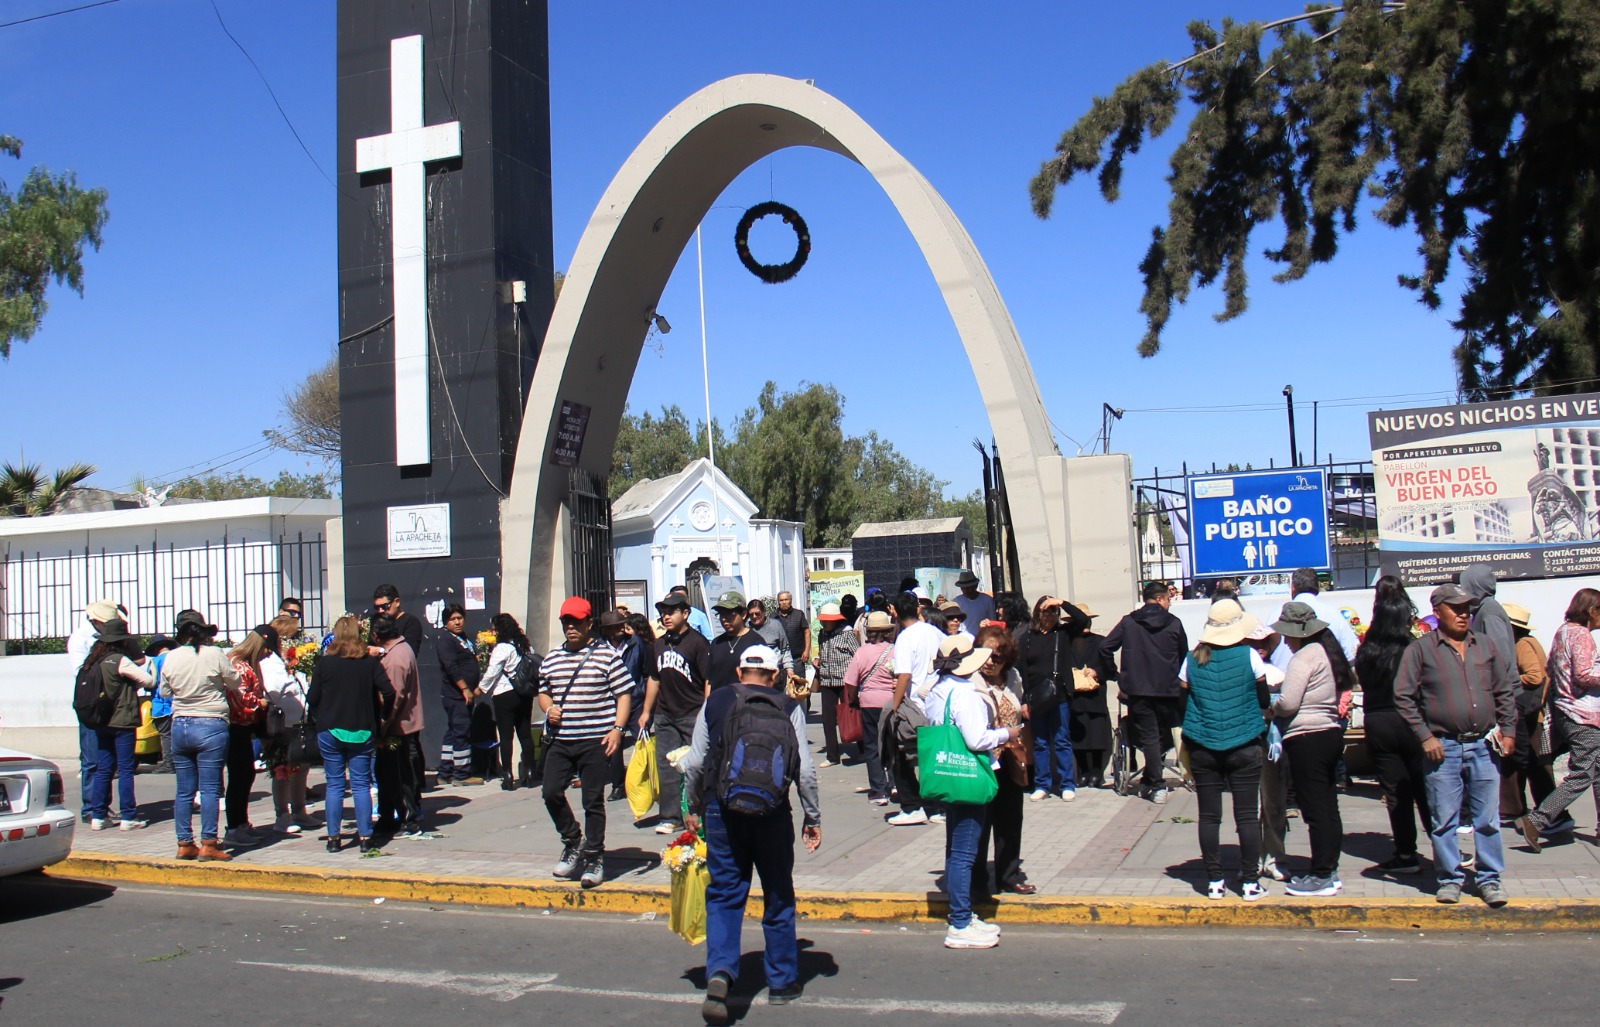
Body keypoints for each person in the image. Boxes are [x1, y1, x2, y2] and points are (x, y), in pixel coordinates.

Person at [683, 645, 820, 1023]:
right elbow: (805, 771)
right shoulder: (789, 707)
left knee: (726, 892)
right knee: (777, 890)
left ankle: (721, 973)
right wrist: (813, 816)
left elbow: (694, 762)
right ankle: (782, 981)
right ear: (775, 676)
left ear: (740, 672)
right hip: (773, 813)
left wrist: (691, 807)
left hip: (721, 810)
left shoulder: (717, 702)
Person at [1396, 583, 1517, 907]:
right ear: (1438, 612)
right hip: (1443, 749)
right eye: (1456, 608)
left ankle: (1489, 879)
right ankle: (1449, 879)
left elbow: (1504, 691)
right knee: (1445, 820)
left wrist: (1508, 730)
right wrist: (1425, 736)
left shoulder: (1485, 646)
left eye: (1467, 608)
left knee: (1487, 820)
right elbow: (1403, 697)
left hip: (1483, 746)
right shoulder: (1420, 651)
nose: (1464, 614)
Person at [923, 634, 1022, 949]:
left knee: (956, 849)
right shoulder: (965, 694)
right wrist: (1007, 733)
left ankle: (961, 914)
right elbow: (977, 739)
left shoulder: (938, 690)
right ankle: (961, 921)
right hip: (968, 775)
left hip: (947, 773)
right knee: (965, 852)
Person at [1179, 600, 1272, 900]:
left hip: (1203, 744)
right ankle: (1249, 883)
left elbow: (1182, 697)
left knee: (1209, 816)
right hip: (1244, 742)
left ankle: (1214, 882)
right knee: (1246, 816)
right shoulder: (1249, 656)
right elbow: (1262, 699)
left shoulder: (1192, 658)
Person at [538, 597, 634, 888]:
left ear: (589, 623)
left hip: (595, 739)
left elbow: (624, 694)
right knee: (551, 791)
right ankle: (572, 841)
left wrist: (618, 729)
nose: (570, 627)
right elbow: (544, 692)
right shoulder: (552, 658)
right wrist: (548, 708)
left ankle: (594, 856)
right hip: (561, 740)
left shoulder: (607, 656)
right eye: (566, 622)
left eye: (576, 622)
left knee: (592, 800)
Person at [1270, 601, 1352, 897]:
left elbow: (1289, 702)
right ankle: (1329, 868)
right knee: (1328, 807)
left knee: (1315, 809)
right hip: (1329, 733)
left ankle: (1321, 875)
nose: (1286, 641)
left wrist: (1272, 706)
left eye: (1287, 635)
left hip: (1307, 737)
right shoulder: (1327, 653)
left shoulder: (1304, 657)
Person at [1355, 576, 1434, 876]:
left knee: (1396, 792)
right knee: (1425, 788)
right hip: (1411, 720)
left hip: (1378, 720)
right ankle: (1441, 844)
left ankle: (1405, 852)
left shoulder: (1367, 650)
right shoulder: (1414, 649)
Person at [1519, 587, 1600, 853]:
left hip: (1567, 711)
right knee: (1582, 775)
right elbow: (1585, 675)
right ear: (1591, 611)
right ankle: (1536, 820)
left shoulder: (1563, 632)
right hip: (1583, 714)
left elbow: (1552, 669)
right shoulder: (1582, 635)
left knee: (1597, 771)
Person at [308, 615, 395, 854]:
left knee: (335, 784)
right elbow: (389, 691)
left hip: (330, 729)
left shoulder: (325, 663)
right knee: (360, 785)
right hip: (362, 729)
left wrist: (321, 716)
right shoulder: (368, 662)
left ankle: (333, 838)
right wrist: (384, 716)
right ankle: (366, 837)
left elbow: (312, 698)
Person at [1099, 581, 1189, 803]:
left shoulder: (1129, 622)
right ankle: (1157, 784)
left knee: (1149, 735)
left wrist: (1116, 675)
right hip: (1167, 689)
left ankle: (1151, 779)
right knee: (1160, 735)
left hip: (1137, 689)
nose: (1169, 603)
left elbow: (1105, 647)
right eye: (1168, 599)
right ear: (1159, 599)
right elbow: (1184, 655)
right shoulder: (1174, 624)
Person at [162, 610, 240, 861]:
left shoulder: (171, 657)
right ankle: (208, 843)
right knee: (209, 789)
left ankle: (184, 843)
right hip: (211, 723)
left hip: (180, 724)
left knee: (184, 790)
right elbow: (235, 681)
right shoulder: (214, 653)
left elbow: (164, 691)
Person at [639, 591, 711, 835]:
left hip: (692, 714)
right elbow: (653, 678)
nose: (666, 616)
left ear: (685, 613)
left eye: (671, 612)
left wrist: (706, 710)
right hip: (665, 714)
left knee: (695, 766)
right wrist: (646, 711)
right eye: (663, 612)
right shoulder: (658, 644)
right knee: (666, 767)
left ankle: (697, 811)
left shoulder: (698, 643)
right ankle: (670, 816)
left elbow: (707, 680)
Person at [971, 624, 1034, 895]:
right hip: (981, 759)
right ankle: (977, 879)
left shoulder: (1014, 678)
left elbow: (1018, 706)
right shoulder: (969, 680)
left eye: (997, 656)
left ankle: (1008, 874)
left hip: (1010, 758)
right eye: (985, 655)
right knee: (980, 822)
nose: (990, 662)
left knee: (1010, 819)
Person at [82, 617, 154, 831]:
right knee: (125, 769)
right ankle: (129, 816)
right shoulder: (119, 660)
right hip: (122, 721)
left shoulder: (93, 660)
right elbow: (148, 681)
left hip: (101, 721)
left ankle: (98, 815)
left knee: (104, 768)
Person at [886, 590, 947, 826]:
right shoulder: (935, 632)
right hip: (937, 702)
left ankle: (913, 806)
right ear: (918, 608)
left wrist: (895, 705)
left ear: (895, 611)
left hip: (914, 706)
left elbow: (904, 675)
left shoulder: (905, 637)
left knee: (902, 755)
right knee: (933, 757)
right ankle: (938, 806)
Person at [1019, 596, 1087, 801]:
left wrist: (1062, 602)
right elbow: (1021, 671)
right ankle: (1042, 784)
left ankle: (1067, 784)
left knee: (1061, 739)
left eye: (1053, 612)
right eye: (1045, 611)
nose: (1049, 616)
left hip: (1060, 695)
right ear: (1037, 613)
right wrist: (1023, 700)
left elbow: (1082, 620)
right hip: (1036, 697)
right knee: (1039, 741)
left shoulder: (1063, 634)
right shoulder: (1028, 638)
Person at [372, 614, 427, 837]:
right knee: (394, 774)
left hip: (400, 725)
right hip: (404, 722)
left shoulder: (396, 658)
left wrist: (383, 724)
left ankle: (407, 818)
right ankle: (394, 816)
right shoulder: (401, 650)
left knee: (399, 776)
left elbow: (393, 697)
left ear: (376, 635)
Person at [263, 613, 318, 835]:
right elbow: (275, 690)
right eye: (290, 637)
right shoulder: (270, 662)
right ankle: (282, 814)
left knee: (300, 767)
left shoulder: (290, 660)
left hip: (299, 721)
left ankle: (299, 809)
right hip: (283, 723)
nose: (293, 643)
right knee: (283, 769)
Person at [69, 599, 124, 819]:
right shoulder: (81, 639)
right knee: (92, 758)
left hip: (108, 702)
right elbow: (81, 672)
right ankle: (91, 808)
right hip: (91, 703)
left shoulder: (105, 638)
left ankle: (101, 805)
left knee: (106, 758)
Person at [1500, 602, 1554, 822]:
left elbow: (1534, 676)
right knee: (1528, 764)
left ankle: (1550, 812)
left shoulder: (1522, 644)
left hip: (1530, 714)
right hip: (1531, 714)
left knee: (1533, 765)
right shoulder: (1526, 642)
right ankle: (1516, 809)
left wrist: (1508, 681)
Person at [222, 625, 274, 846]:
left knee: (244, 774)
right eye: (266, 649)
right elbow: (239, 698)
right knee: (240, 776)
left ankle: (241, 822)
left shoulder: (235, 661)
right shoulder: (240, 666)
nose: (267, 654)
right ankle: (234, 827)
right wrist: (260, 703)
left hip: (240, 725)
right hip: (237, 725)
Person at [841, 610, 897, 806]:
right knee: (892, 745)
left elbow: (850, 681)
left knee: (872, 746)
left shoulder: (861, 652)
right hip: (892, 703)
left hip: (869, 703)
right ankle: (895, 783)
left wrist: (852, 699)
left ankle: (878, 790)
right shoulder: (894, 650)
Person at [481, 612, 539, 791]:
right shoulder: (525, 646)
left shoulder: (502, 648)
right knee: (525, 734)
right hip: (524, 694)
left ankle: (507, 775)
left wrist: (481, 688)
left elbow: (492, 672)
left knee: (506, 736)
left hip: (504, 694)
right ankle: (529, 772)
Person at [1065, 601, 1117, 789]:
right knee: (1077, 735)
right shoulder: (1065, 642)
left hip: (1095, 697)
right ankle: (1083, 772)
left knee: (1096, 735)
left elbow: (1111, 671)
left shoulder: (1101, 642)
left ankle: (1096, 772)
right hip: (1074, 697)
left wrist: (1097, 673)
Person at [434, 603, 485, 786]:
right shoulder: (446, 641)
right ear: (445, 623)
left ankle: (445, 772)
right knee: (462, 732)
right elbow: (451, 667)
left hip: (464, 694)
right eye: (452, 619)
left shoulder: (462, 638)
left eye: (459, 618)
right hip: (455, 696)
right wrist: (464, 688)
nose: (457, 622)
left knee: (453, 733)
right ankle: (462, 774)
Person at [812, 602, 859, 768]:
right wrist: (817, 661)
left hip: (845, 681)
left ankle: (861, 749)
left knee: (851, 716)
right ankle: (832, 755)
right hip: (827, 681)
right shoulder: (822, 634)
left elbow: (857, 655)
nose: (825, 624)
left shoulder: (847, 634)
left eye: (828, 621)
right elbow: (821, 652)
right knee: (828, 719)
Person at [1289, 568, 1359, 662]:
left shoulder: (1276, 615)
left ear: (1293, 588)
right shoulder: (1333, 614)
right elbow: (1352, 653)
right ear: (1317, 587)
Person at [707, 590, 766, 690]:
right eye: (721, 614)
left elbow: (762, 680)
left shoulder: (756, 643)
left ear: (743, 614)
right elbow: (709, 680)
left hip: (743, 703)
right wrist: (708, 703)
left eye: (730, 614)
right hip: (718, 703)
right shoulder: (716, 643)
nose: (724, 619)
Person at [144, 634, 178, 774]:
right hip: (179, 703)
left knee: (166, 735)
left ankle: (168, 763)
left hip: (162, 704)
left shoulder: (155, 661)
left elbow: (151, 682)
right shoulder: (178, 658)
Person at [772, 590, 812, 692]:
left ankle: (803, 708)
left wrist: (806, 650)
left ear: (790, 601)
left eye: (786, 599)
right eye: (781, 600)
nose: (784, 602)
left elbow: (806, 632)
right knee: (780, 691)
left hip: (797, 659)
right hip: (779, 661)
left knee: (800, 689)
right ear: (778, 602)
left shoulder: (799, 615)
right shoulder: (773, 617)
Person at [747, 598, 796, 680]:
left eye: (757, 614)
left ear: (764, 612)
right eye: (751, 614)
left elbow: (785, 649)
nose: (754, 617)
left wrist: (789, 669)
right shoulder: (746, 628)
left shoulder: (776, 625)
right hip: (753, 674)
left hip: (775, 673)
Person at [371, 583, 424, 652]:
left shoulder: (411, 623)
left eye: (384, 606)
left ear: (397, 602)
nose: (380, 611)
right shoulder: (376, 623)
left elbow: (409, 652)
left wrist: (379, 651)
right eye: (377, 607)